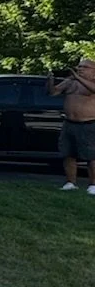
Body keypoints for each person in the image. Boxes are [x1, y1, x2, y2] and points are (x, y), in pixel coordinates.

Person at [49, 56, 95, 193]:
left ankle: (93, 185)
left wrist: (77, 77)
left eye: (84, 67)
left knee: (91, 156)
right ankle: (70, 182)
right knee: (68, 154)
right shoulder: (70, 82)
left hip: (88, 123)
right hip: (69, 123)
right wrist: (50, 81)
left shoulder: (91, 82)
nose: (80, 69)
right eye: (79, 67)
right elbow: (53, 92)